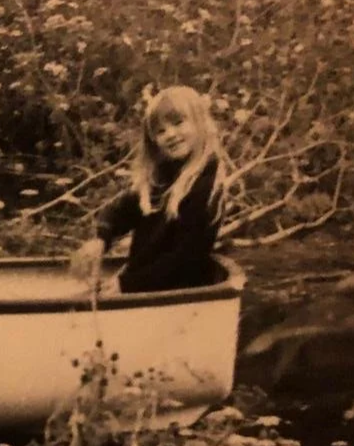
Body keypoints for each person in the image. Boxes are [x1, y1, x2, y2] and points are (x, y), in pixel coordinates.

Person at [69, 85, 232, 294]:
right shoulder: (162, 176)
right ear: (154, 141)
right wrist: (101, 239)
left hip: (178, 293)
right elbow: (121, 208)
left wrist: (127, 284)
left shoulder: (207, 185)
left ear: (200, 123)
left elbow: (186, 258)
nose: (170, 134)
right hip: (148, 284)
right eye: (160, 131)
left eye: (178, 122)